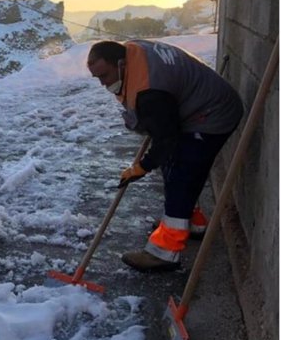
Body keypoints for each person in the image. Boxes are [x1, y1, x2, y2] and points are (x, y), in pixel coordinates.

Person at [86, 39, 243, 271]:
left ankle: (164, 253)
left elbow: (166, 139)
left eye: (104, 75)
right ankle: (190, 223)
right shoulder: (132, 53)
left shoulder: (149, 90)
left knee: (182, 172)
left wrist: (142, 166)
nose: (102, 83)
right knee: (174, 166)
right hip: (195, 105)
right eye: (96, 78)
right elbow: (157, 123)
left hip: (212, 114)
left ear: (120, 64)